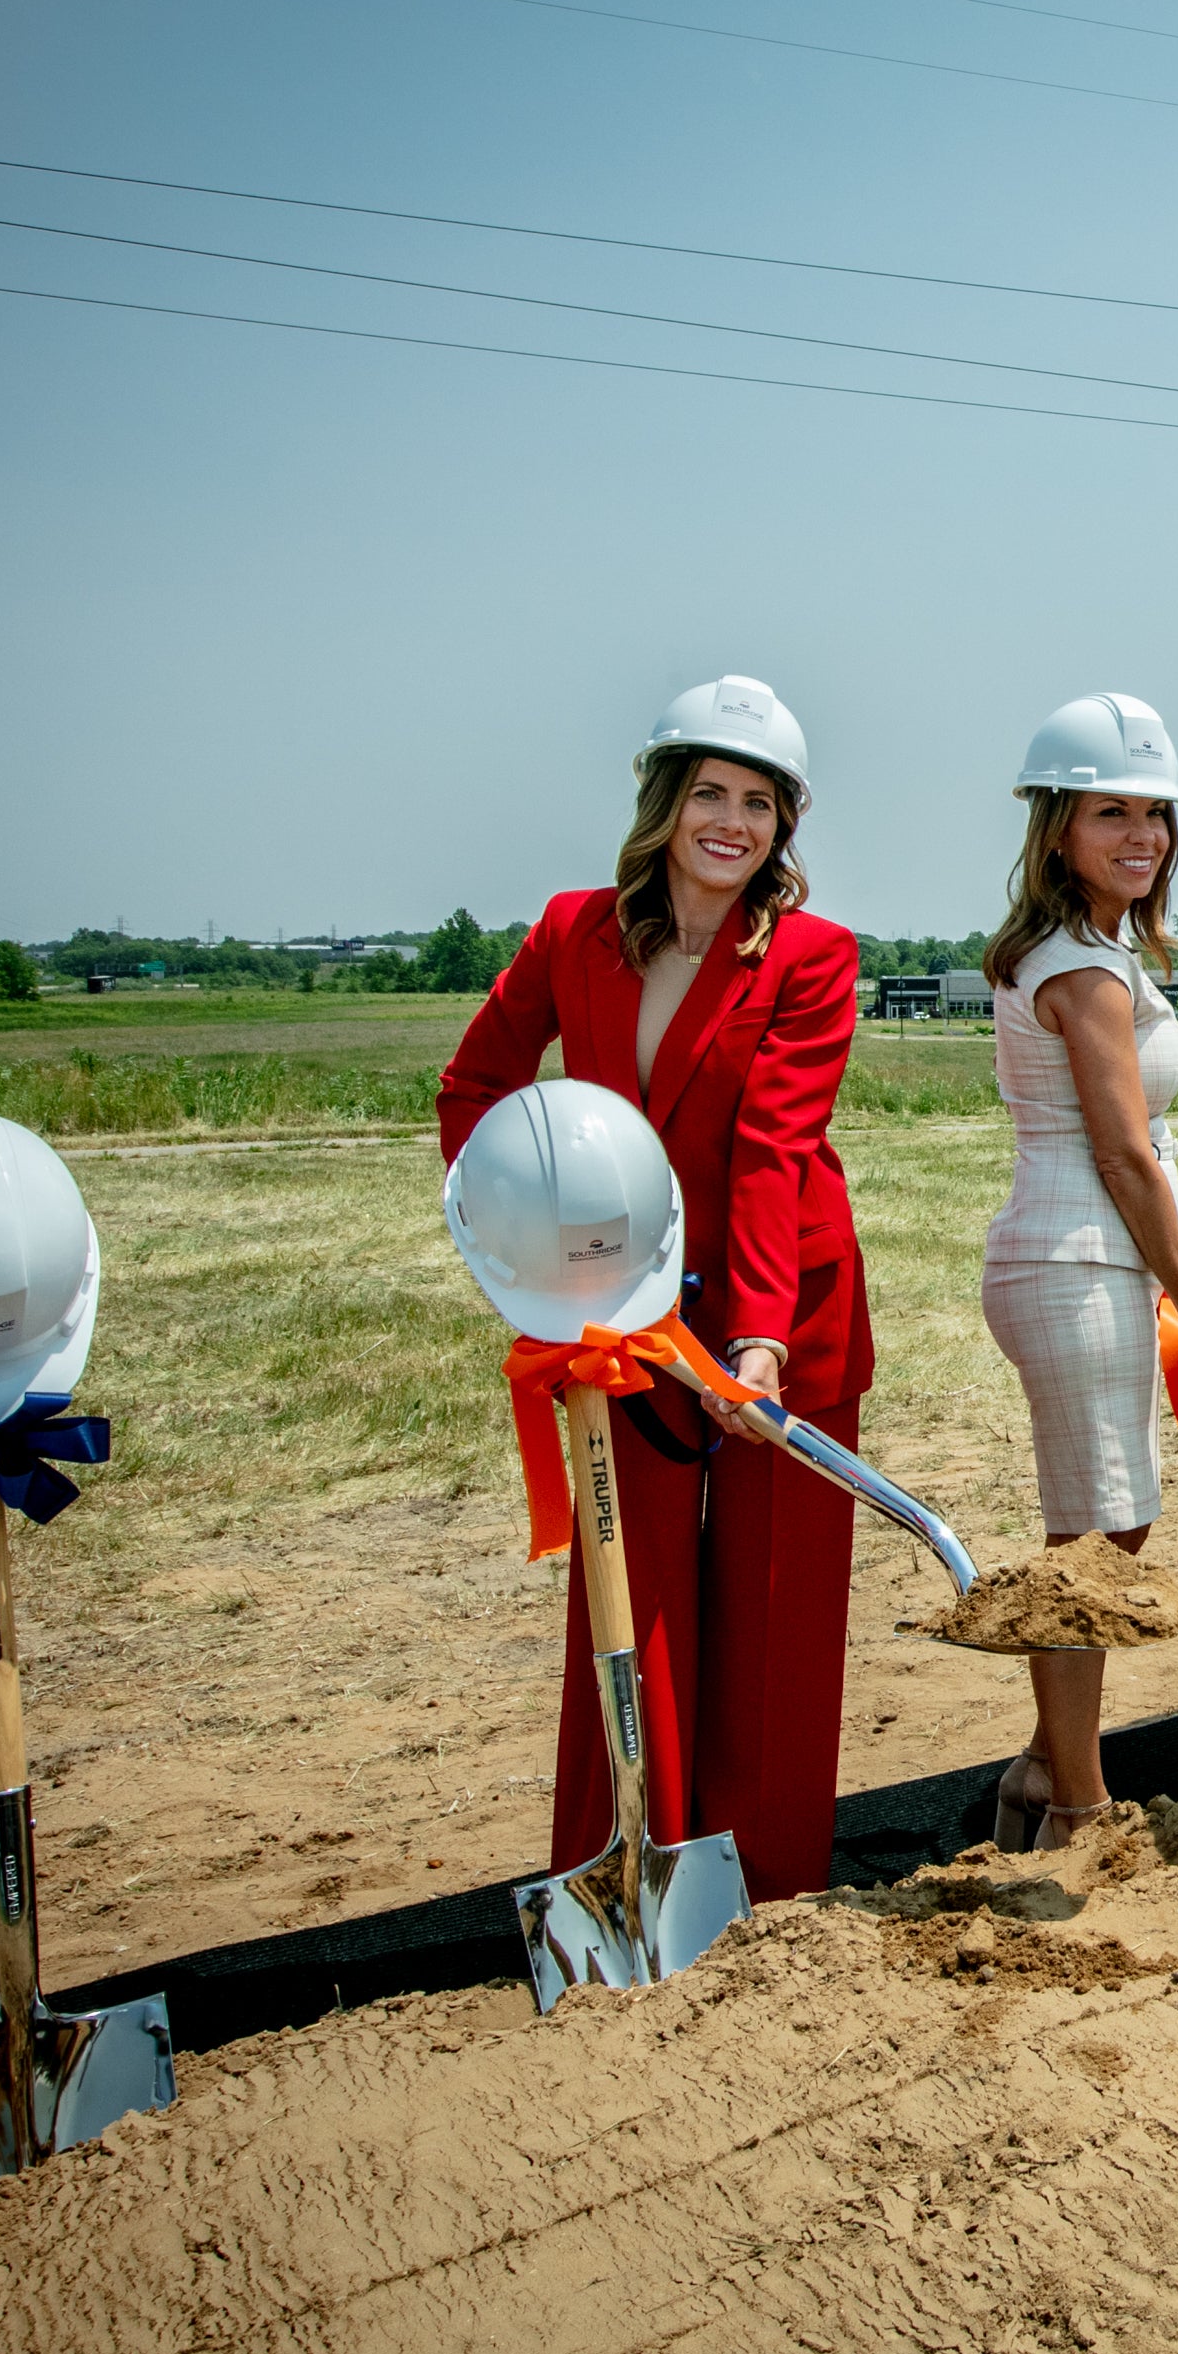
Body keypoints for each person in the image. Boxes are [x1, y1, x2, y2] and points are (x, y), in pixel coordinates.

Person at [437, 674, 872, 1901]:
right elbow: (474, 1088)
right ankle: (620, 1865)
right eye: (706, 795)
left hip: (781, 1312)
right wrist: (523, 1254)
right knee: (630, 1606)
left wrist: (761, 1344)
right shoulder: (571, 931)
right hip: (612, 1323)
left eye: (757, 802)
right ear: (663, 804)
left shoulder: (812, 957)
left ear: (785, 824)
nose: (730, 823)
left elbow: (772, 1151)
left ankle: (770, 1889)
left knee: (771, 1614)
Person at [977, 694, 1178, 1850]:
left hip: (1092, 1260)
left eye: (1155, 811)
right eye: (1111, 812)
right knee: (1093, 1537)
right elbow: (1122, 1152)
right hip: (1077, 1253)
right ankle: (1080, 1804)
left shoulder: (1100, 949)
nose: (1141, 833)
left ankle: (1046, 1770)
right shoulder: (1078, 968)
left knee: (1114, 1526)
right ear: (1056, 829)